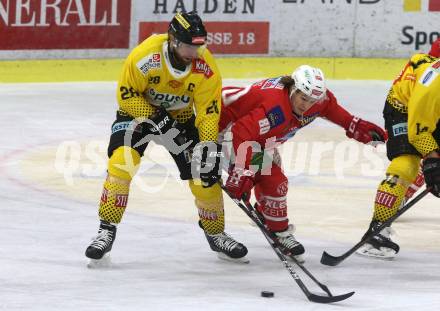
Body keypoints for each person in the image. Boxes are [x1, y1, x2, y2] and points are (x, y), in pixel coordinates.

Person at [85, 11, 248, 264]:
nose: (194, 54)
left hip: (180, 121)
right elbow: (126, 95)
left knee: (204, 178)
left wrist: (207, 145)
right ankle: (105, 231)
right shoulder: (145, 56)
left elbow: (207, 112)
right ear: (172, 40)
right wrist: (154, 117)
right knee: (121, 162)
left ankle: (216, 234)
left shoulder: (205, 67)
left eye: (199, 47)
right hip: (136, 115)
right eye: (188, 47)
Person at [220, 65, 387, 262]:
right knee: (272, 178)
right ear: (293, 89)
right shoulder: (275, 108)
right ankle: (242, 230)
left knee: (275, 183)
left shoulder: (317, 99)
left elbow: (334, 111)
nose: (306, 105)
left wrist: (356, 126)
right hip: (224, 134)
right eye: (303, 98)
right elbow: (241, 133)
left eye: (312, 101)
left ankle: (277, 227)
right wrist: (242, 171)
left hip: (260, 140)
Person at [356, 38, 440, 259]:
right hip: (403, 109)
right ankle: (376, 230)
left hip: (432, 110)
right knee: (407, 162)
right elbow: (418, 131)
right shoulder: (433, 85)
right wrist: (432, 159)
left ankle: (401, 194)